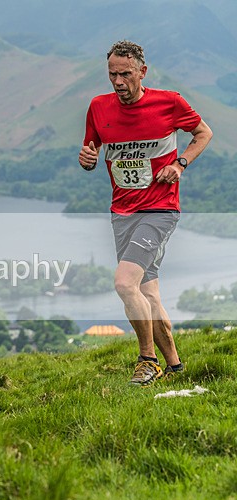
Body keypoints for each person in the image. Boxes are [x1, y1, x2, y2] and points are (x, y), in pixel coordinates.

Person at [79, 40, 212, 386]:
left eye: (125, 74)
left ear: (142, 72)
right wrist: (87, 161)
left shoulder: (168, 102)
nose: (118, 82)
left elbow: (203, 133)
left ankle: (147, 360)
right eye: (112, 75)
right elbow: (90, 151)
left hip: (160, 208)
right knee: (148, 294)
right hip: (122, 212)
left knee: (124, 283)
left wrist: (181, 163)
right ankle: (176, 368)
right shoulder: (98, 107)